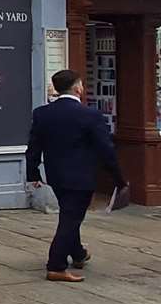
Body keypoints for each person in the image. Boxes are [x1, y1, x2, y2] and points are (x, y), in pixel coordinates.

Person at [25, 69, 126, 283]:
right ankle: (56, 265)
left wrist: (32, 172)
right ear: (78, 87)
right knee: (70, 220)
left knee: (70, 214)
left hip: (56, 175)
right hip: (81, 177)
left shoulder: (42, 113)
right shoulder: (90, 115)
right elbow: (106, 150)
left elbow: (33, 147)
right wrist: (118, 178)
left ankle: (78, 253)